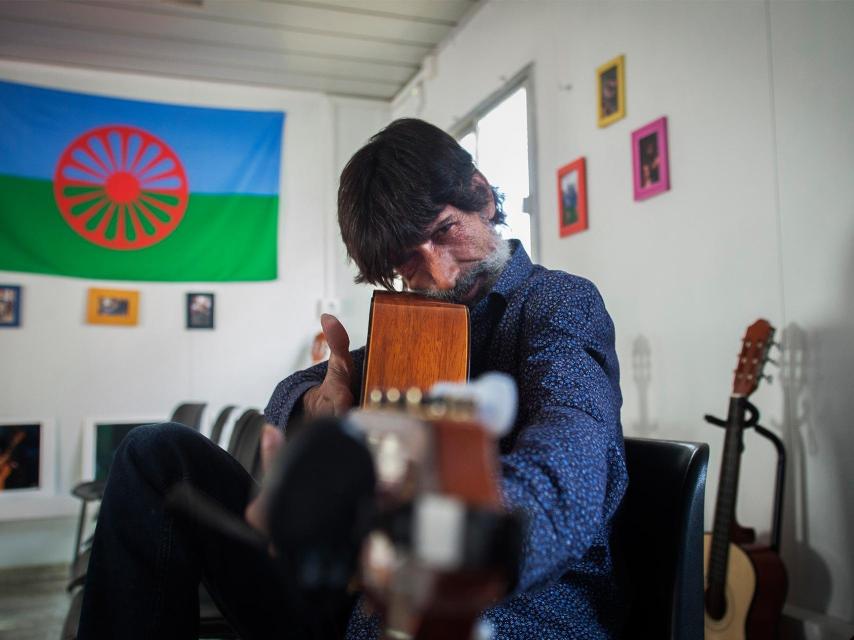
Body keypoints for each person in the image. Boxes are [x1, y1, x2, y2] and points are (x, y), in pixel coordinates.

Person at [78, 118, 627, 640]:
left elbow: (574, 453)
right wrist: (313, 407)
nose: (438, 274)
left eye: (444, 231)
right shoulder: (412, 324)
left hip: (513, 601)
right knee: (154, 455)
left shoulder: (558, 302)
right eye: (407, 262)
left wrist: (436, 537)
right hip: (351, 590)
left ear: (481, 195)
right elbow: (302, 390)